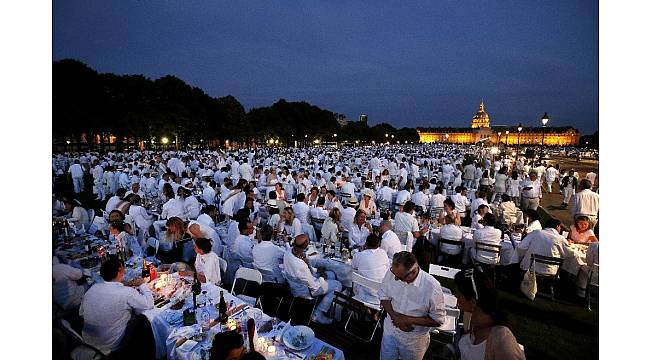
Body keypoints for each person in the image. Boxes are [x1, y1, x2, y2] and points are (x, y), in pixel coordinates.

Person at [79, 257, 154, 355]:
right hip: (109, 344)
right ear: (119, 271)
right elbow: (149, 304)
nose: (124, 269)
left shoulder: (92, 288)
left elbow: (81, 313)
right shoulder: (127, 293)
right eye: (123, 267)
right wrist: (142, 284)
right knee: (143, 318)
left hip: (87, 339)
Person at [378, 251, 445, 360]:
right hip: (390, 331)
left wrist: (408, 320)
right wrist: (395, 317)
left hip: (414, 340)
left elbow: (438, 320)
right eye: (393, 273)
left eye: (400, 277)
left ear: (413, 271)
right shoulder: (393, 272)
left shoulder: (432, 286)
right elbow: (383, 296)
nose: (395, 278)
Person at [454, 268, 525, 360]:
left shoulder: (501, 339)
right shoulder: (473, 319)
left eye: (458, 294)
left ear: (473, 302)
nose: (455, 296)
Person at [283, 234, 342, 324]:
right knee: (338, 285)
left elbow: (308, 274)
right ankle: (318, 313)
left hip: (297, 284)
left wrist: (312, 267)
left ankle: (323, 303)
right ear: (305, 246)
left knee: (331, 274)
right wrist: (322, 276)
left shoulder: (288, 253)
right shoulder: (301, 266)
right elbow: (314, 287)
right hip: (305, 291)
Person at [351, 234, 391, 304]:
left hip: (362, 294)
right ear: (379, 244)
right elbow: (387, 268)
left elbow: (354, 267)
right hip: (381, 296)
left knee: (355, 278)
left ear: (366, 243)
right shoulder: (383, 253)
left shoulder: (358, 255)